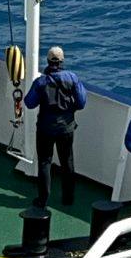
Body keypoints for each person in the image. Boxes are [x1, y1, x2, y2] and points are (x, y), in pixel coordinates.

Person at [21, 46, 87, 207]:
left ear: (48, 61)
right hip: (66, 127)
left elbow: (29, 103)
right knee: (67, 161)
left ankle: (42, 199)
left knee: (45, 162)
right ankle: (68, 198)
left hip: (45, 128)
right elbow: (81, 102)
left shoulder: (41, 82)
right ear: (62, 60)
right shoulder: (72, 78)